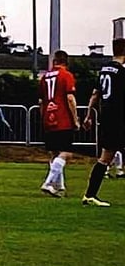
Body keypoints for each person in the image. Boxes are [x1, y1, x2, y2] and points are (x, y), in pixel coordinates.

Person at [81, 37, 125, 207]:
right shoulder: (121, 72)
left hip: (107, 117)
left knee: (105, 157)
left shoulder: (104, 70)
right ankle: (90, 195)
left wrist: (89, 114)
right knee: (106, 157)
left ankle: (90, 195)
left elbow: (95, 93)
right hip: (119, 117)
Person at [38, 49, 80, 197]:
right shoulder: (66, 75)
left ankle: (59, 186)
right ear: (66, 62)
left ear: (54, 61)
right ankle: (48, 183)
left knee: (55, 153)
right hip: (63, 118)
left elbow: (41, 101)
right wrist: (75, 119)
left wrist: (43, 118)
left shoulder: (44, 77)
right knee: (67, 152)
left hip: (48, 117)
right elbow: (70, 98)